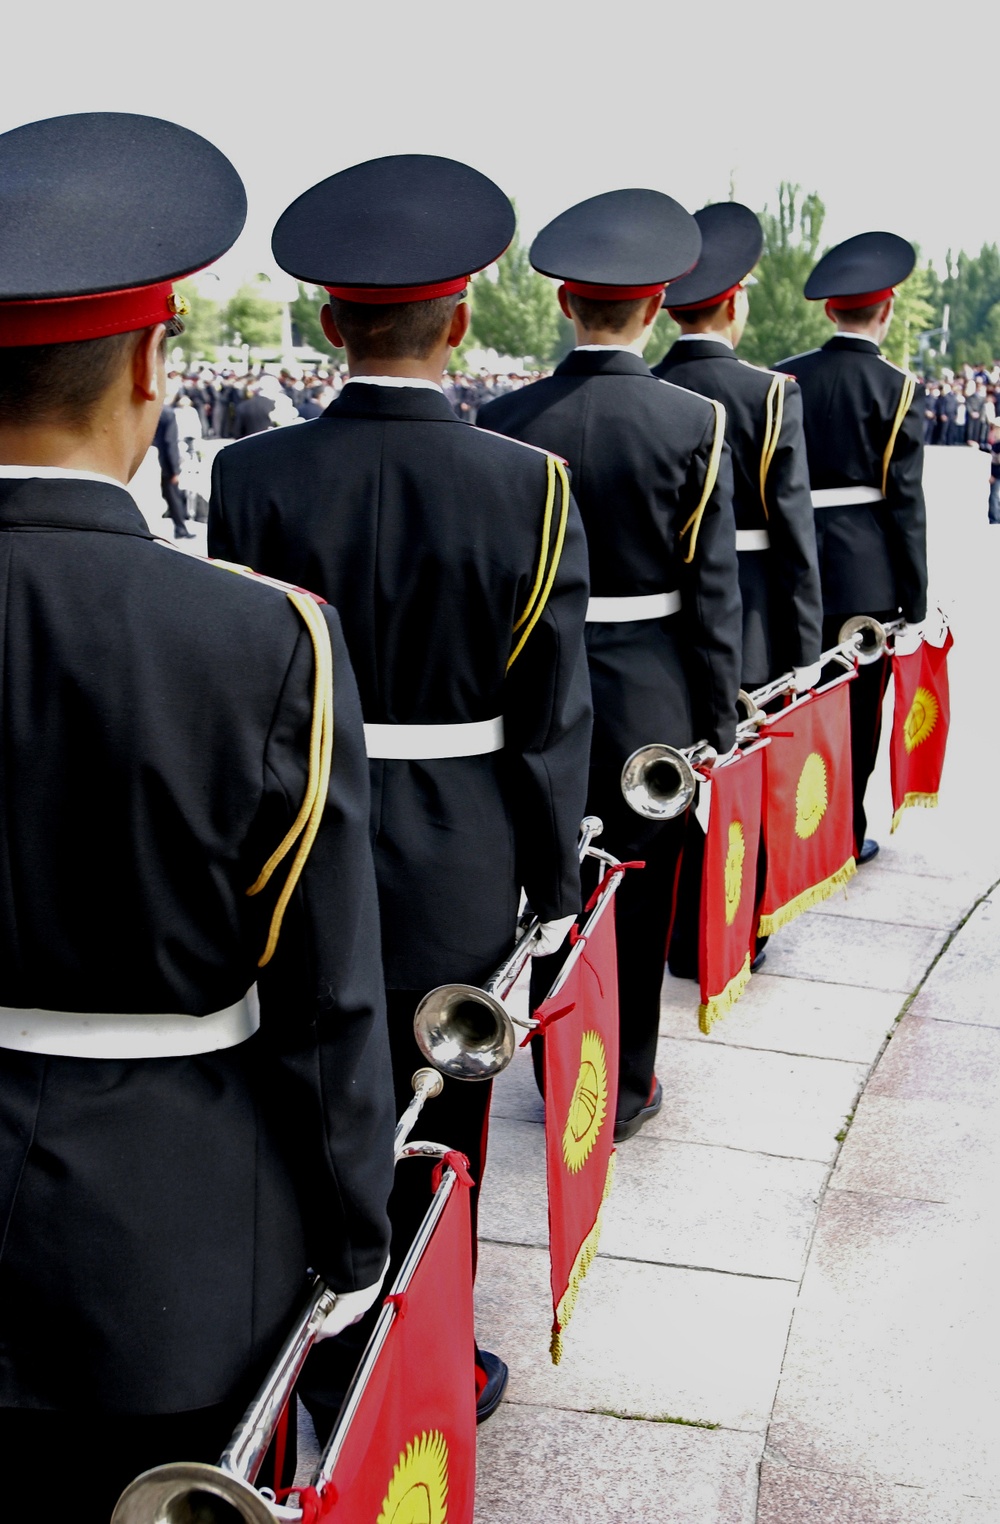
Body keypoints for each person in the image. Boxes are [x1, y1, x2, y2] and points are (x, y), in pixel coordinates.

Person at [0, 112, 395, 1523]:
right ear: (152, 369)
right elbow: (331, 989)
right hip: (170, 1240)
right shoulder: (268, 640)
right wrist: (358, 1234)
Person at [209, 153, 592, 1429]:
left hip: (292, 840)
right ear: (464, 321)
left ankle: (304, 1347)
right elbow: (553, 719)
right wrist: (549, 883)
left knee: (300, 1094)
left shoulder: (252, 478)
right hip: (463, 841)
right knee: (448, 1111)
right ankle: (430, 1349)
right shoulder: (526, 484)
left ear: (326, 323)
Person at [479, 187, 742, 1140]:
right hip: (651, 693)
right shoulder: (692, 420)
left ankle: (554, 1062)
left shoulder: (504, 417)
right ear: (660, 300)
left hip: (532, 686)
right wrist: (720, 723)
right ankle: (624, 1081)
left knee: (549, 879)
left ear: (562, 304)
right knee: (634, 888)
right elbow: (714, 596)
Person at [650, 202, 823, 976]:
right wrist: (808, 653)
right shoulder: (768, 393)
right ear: (736, 300)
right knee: (742, 780)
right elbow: (794, 543)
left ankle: (677, 929)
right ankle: (732, 926)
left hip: (661, 620)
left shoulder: (653, 389)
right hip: (749, 614)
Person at [774, 231, 928, 863]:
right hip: (867, 582)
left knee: (795, 702)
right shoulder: (897, 387)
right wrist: (914, 603)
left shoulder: (785, 378)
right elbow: (906, 505)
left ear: (829, 308)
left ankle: (790, 826)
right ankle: (840, 832)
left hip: (795, 565)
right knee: (861, 709)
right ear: (886, 310)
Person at [152, 400, 194, 538]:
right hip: (164, 462)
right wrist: (175, 469)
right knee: (173, 496)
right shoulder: (168, 413)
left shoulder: (152, 411)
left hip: (149, 458)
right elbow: (170, 442)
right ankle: (181, 528)